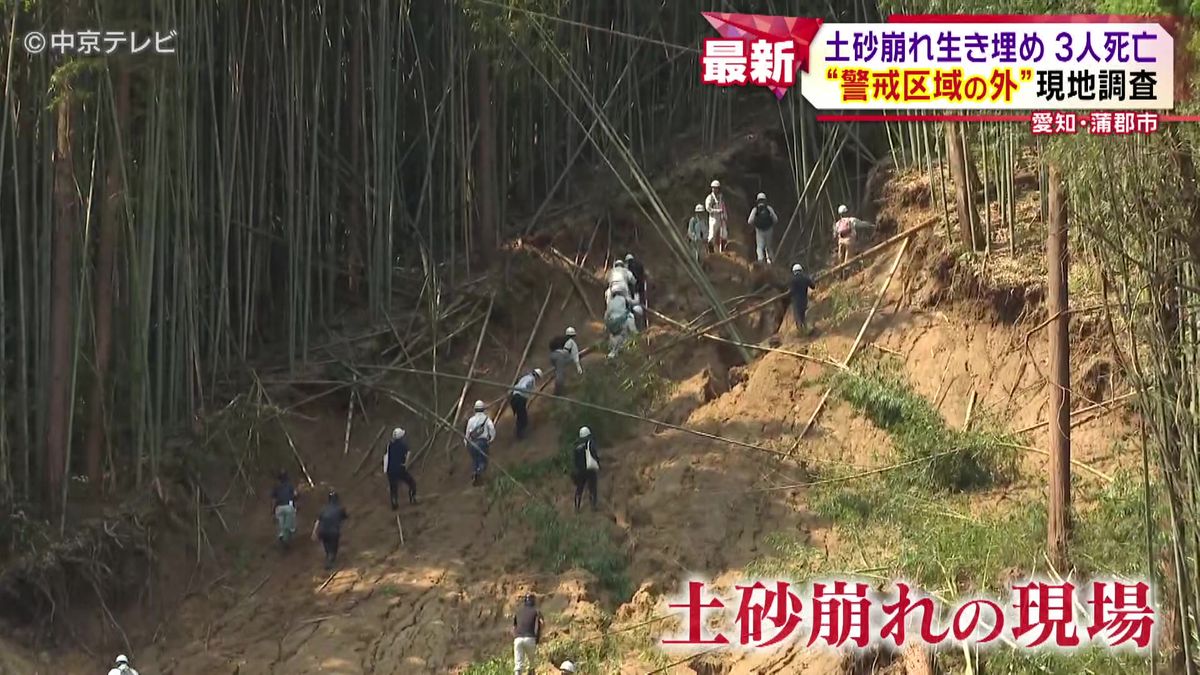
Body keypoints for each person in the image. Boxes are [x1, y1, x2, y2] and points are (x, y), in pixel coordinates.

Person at [311, 490, 349, 570]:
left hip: (322, 531)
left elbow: (318, 521)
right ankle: (330, 559)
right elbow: (345, 517)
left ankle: (329, 557)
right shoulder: (340, 508)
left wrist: (314, 532)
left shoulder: (323, 509)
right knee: (334, 547)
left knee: (327, 545)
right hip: (334, 532)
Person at [464, 400, 497, 486]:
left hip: (472, 443)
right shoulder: (486, 419)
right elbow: (492, 429)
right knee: (483, 461)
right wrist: (491, 439)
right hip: (482, 442)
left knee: (475, 460)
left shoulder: (471, 420)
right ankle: (479, 474)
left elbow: (467, 433)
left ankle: (476, 474)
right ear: (483, 409)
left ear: (475, 410)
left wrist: (466, 443)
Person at [383, 427, 417, 509]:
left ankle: (394, 503)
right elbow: (409, 453)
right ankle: (412, 498)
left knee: (393, 487)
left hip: (390, 469)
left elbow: (385, 456)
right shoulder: (403, 445)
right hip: (399, 468)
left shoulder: (389, 445)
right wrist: (406, 464)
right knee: (412, 483)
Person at [512, 594, 544, 675]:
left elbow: (514, 627)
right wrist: (538, 636)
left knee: (518, 664)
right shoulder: (536, 611)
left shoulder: (518, 611)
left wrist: (516, 637)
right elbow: (542, 623)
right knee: (531, 663)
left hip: (518, 639)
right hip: (530, 638)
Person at [571, 426, 600, 512]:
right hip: (589, 470)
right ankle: (593, 507)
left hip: (580, 471)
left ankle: (577, 507)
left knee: (579, 489)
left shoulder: (576, 447)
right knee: (592, 488)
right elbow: (594, 455)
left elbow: (574, 461)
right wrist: (598, 463)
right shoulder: (590, 444)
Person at [510, 368, 543, 440]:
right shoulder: (531, 379)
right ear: (537, 376)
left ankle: (518, 433)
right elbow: (523, 386)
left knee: (520, 416)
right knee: (523, 419)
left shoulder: (525, 377)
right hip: (520, 398)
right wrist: (525, 391)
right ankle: (519, 435)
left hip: (514, 397)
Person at [548, 327, 583, 395]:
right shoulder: (570, 342)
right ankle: (558, 391)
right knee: (560, 373)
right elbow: (573, 354)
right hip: (559, 356)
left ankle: (559, 388)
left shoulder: (559, 339)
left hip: (553, 355)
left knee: (559, 370)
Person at [747, 192, 779, 265]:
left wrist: (756, 224)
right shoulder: (769, 208)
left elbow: (749, 221)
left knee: (759, 247)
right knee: (769, 247)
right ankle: (770, 261)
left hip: (759, 231)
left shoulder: (755, 209)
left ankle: (760, 261)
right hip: (769, 230)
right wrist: (770, 225)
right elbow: (776, 219)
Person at [271, 470, 297, 548]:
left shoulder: (276, 487)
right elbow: (295, 496)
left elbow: (274, 500)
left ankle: (282, 536)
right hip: (288, 507)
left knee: (281, 526)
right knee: (289, 525)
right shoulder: (290, 486)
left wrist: (272, 510)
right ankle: (286, 539)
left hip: (279, 508)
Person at [790, 263, 817, 334]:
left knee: (798, 317)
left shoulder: (792, 280)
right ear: (801, 270)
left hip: (796, 302)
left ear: (794, 272)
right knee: (805, 315)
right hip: (805, 300)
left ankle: (801, 332)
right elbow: (813, 286)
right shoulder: (805, 278)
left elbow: (791, 291)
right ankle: (808, 330)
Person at [705, 179, 728, 253]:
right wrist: (716, 211)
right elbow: (708, 208)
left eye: (717, 188)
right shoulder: (710, 197)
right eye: (714, 187)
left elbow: (723, 206)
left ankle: (723, 249)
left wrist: (725, 215)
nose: (715, 189)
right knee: (712, 235)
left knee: (724, 234)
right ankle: (711, 251)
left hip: (721, 217)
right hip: (713, 218)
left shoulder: (720, 197)